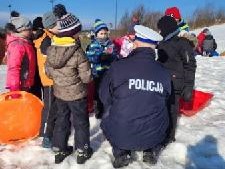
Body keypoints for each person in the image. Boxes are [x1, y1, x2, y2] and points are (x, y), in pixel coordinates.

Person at [99, 25, 171, 168]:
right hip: (154, 133)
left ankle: (121, 152)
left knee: (108, 115)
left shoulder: (118, 66)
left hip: (122, 131)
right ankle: (150, 150)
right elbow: (167, 99)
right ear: (153, 49)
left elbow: (104, 95)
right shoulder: (163, 72)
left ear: (136, 44)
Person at [45, 4, 93, 164]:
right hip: (77, 95)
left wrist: (60, 79)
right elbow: (86, 77)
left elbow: (48, 72)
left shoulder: (51, 49)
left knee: (61, 120)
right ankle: (83, 150)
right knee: (80, 122)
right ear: (73, 33)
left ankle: (59, 149)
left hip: (59, 93)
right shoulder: (78, 53)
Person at [157, 16, 196, 144]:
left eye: (160, 29)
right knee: (162, 108)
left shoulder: (182, 43)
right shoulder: (162, 43)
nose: (159, 32)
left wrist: (189, 86)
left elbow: (190, 64)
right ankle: (160, 132)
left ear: (167, 28)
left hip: (176, 83)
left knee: (172, 109)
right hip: (162, 82)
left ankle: (169, 136)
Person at [33, 12, 58, 148]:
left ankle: (50, 130)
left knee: (53, 106)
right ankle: (45, 133)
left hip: (51, 78)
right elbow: (53, 57)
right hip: (49, 80)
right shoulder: (45, 40)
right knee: (49, 107)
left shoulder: (47, 37)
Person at [86, 19, 117, 118]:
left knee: (107, 92)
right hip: (97, 73)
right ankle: (98, 109)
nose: (103, 36)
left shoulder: (110, 44)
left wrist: (111, 57)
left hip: (108, 73)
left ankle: (107, 109)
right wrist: (99, 57)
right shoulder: (93, 45)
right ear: (96, 34)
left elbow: (116, 55)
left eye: (105, 33)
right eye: (101, 33)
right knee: (98, 92)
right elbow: (89, 57)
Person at [5, 15, 36, 97]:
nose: (31, 31)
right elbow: (14, 68)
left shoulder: (25, 42)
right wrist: (15, 91)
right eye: (29, 29)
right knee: (21, 108)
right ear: (22, 30)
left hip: (26, 83)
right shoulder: (18, 45)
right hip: (20, 85)